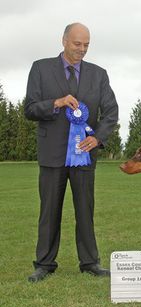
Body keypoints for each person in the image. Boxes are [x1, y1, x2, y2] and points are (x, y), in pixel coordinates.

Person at [25, 22, 118, 282]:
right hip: (51, 154)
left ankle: (90, 262)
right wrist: (56, 103)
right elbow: (30, 108)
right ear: (64, 40)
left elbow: (111, 112)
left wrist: (97, 139)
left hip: (85, 156)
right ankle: (44, 263)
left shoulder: (99, 74)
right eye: (78, 44)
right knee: (49, 211)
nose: (82, 49)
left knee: (85, 210)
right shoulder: (40, 68)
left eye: (86, 45)